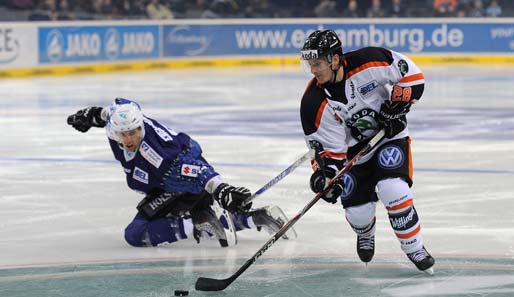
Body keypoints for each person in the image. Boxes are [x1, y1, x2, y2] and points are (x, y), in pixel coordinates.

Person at [67, 98, 294, 248]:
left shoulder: (158, 155)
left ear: (141, 127)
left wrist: (222, 189)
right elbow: (114, 110)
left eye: (134, 132)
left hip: (181, 186)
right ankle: (258, 218)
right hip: (167, 186)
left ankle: (199, 220)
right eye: (122, 134)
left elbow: (194, 169)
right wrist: (92, 115)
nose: (129, 139)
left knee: (136, 234)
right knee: (148, 226)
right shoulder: (118, 122)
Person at [299, 30, 435, 273]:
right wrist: (327, 177)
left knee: (393, 189)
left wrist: (398, 107)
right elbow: (329, 152)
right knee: (358, 214)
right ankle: (365, 232)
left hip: (388, 138)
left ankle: (415, 248)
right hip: (354, 155)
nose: (313, 70)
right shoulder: (313, 102)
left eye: (317, 63)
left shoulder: (369, 60)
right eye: (310, 64)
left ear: (335, 59)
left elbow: (412, 76)